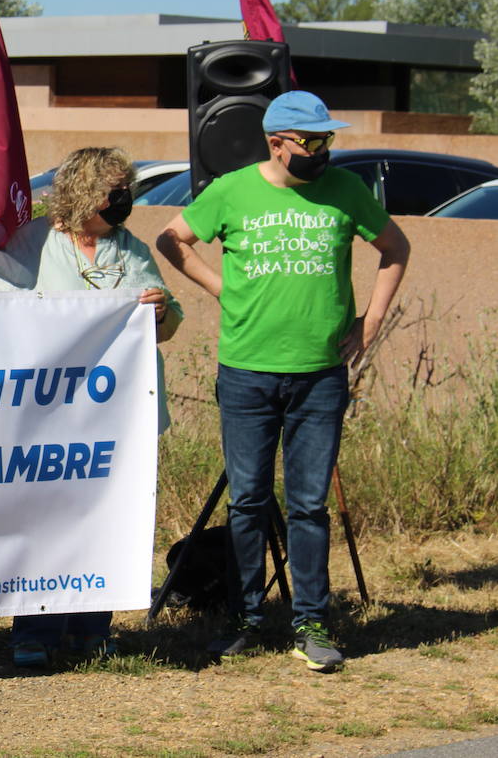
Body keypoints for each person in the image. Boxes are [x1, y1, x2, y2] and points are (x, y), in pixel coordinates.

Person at [156, 91, 410, 672]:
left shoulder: (346, 191)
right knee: (248, 501)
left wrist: (369, 323)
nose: (324, 150)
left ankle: (311, 623)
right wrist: (220, 287)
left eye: (328, 139)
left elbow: (395, 248)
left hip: (320, 376)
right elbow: (171, 240)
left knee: (308, 506)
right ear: (277, 142)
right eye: (313, 141)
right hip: (246, 373)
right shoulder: (232, 190)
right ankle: (245, 617)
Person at [0, 146, 182, 669]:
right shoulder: (37, 242)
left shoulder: (133, 251)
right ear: (83, 194)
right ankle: (34, 629)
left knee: (107, 520)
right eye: (113, 192)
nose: (124, 200)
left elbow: (166, 326)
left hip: (116, 419)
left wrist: (161, 309)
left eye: (126, 190)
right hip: (50, 418)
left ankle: (93, 631)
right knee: (43, 519)